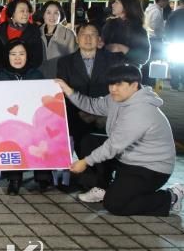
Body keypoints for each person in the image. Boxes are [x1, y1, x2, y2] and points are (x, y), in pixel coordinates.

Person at [57, 65, 184, 216]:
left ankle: (171, 197)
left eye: (119, 84)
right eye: (111, 84)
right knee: (90, 141)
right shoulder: (116, 99)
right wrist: (68, 90)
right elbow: (92, 105)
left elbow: (114, 146)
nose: (113, 89)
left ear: (134, 85)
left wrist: (85, 162)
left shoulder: (141, 112)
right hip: (128, 156)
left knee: (114, 205)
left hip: (151, 167)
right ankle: (102, 187)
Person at [56, 23, 125, 165]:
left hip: (106, 116)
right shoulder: (65, 62)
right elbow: (64, 94)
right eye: (83, 34)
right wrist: (82, 111)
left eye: (92, 34)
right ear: (77, 39)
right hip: (77, 116)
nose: (88, 38)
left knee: (108, 155)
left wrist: (100, 113)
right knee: (82, 148)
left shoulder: (113, 60)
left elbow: (119, 88)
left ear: (99, 39)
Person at [0, 40, 46, 195]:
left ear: (27, 56)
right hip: (11, 121)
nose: (17, 58)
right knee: (14, 137)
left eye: (21, 54)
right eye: (13, 54)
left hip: (34, 119)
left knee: (43, 133)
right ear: (7, 56)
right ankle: (14, 179)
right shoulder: (1, 75)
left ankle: (43, 176)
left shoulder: (37, 74)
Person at [102, 0, 150, 68]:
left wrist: (122, 48)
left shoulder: (138, 29)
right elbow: (102, 47)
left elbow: (143, 58)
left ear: (126, 5)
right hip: (109, 70)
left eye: (117, 2)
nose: (113, 5)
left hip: (129, 72)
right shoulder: (110, 24)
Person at [0, 0, 43, 72]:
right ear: (13, 13)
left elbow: (37, 58)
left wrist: (22, 72)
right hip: (4, 74)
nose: (26, 14)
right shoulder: (1, 30)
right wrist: (2, 72)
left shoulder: (34, 31)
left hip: (26, 75)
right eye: (22, 11)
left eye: (27, 11)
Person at [38, 0, 77, 78]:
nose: (52, 16)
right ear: (43, 15)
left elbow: (74, 59)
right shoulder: (37, 32)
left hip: (61, 77)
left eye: (56, 13)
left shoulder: (68, 34)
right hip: (39, 78)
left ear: (60, 15)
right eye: (48, 13)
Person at [144, 0, 171, 82]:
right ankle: (150, 81)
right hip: (154, 39)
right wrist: (161, 34)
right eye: (166, 1)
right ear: (161, 1)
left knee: (149, 60)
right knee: (154, 60)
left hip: (149, 37)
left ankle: (147, 80)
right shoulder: (156, 11)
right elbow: (154, 26)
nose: (167, 4)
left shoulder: (150, 9)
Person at [165, 0, 184, 90]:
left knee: (175, 63)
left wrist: (168, 40)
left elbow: (167, 28)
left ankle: (175, 84)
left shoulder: (174, 14)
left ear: (180, 2)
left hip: (175, 43)